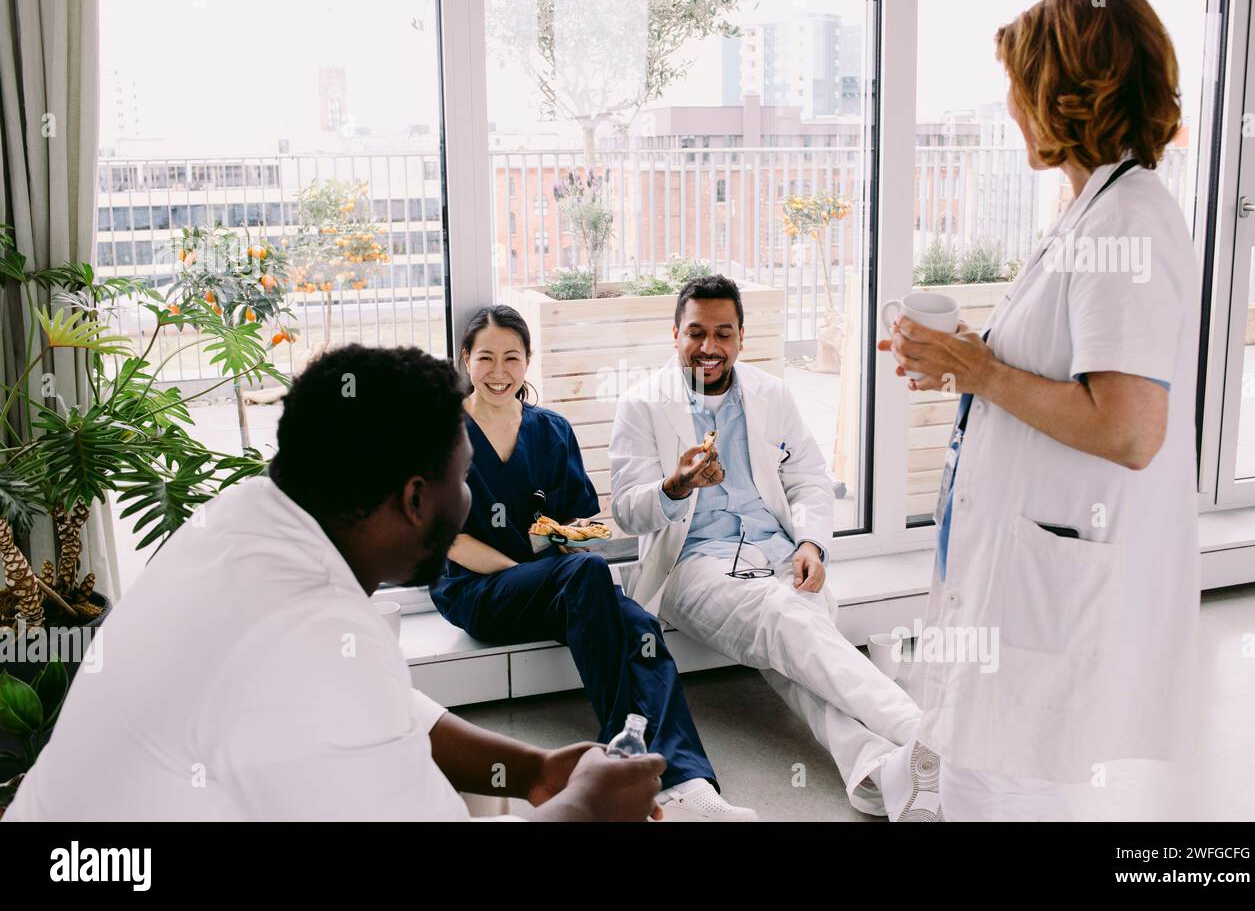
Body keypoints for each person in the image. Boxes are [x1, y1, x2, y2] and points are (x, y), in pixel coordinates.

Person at [4, 345, 665, 821]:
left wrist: (537, 773)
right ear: (414, 498)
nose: (468, 496)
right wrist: (585, 809)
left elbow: (389, 714)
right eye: (460, 478)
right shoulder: (312, 633)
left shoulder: (246, 516)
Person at [878, 0, 1200, 820]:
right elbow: (1066, 376)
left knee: (1002, 790)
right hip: (1013, 576)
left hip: (1046, 589)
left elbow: (1130, 428)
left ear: (1064, 89)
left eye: (1019, 81)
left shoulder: (1127, 221)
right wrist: (964, 362)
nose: (1011, 104)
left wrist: (981, 373)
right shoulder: (1092, 212)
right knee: (981, 780)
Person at [609, 275, 935, 820]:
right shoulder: (642, 404)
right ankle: (927, 735)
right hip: (693, 563)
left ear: (741, 338)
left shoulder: (770, 393)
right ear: (674, 335)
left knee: (794, 647)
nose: (708, 347)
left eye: (723, 333)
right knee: (788, 616)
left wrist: (810, 543)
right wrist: (677, 485)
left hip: (781, 553)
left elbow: (808, 476)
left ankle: (876, 771)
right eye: (696, 332)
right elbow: (625, 509)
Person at [429, 305, 754, 821]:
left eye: (511, 357)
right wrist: (531, 575)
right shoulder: (442, 434)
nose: (498, 371)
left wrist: (566, 542)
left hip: (558, 587)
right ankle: (624, 763)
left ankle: (690, 784)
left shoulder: (551, 430)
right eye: (485, 357)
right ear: (465, 359)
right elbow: (447, 542)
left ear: (528, 362)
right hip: (480, 594)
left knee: (641, 625)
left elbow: (581, 524)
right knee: (585, 576)